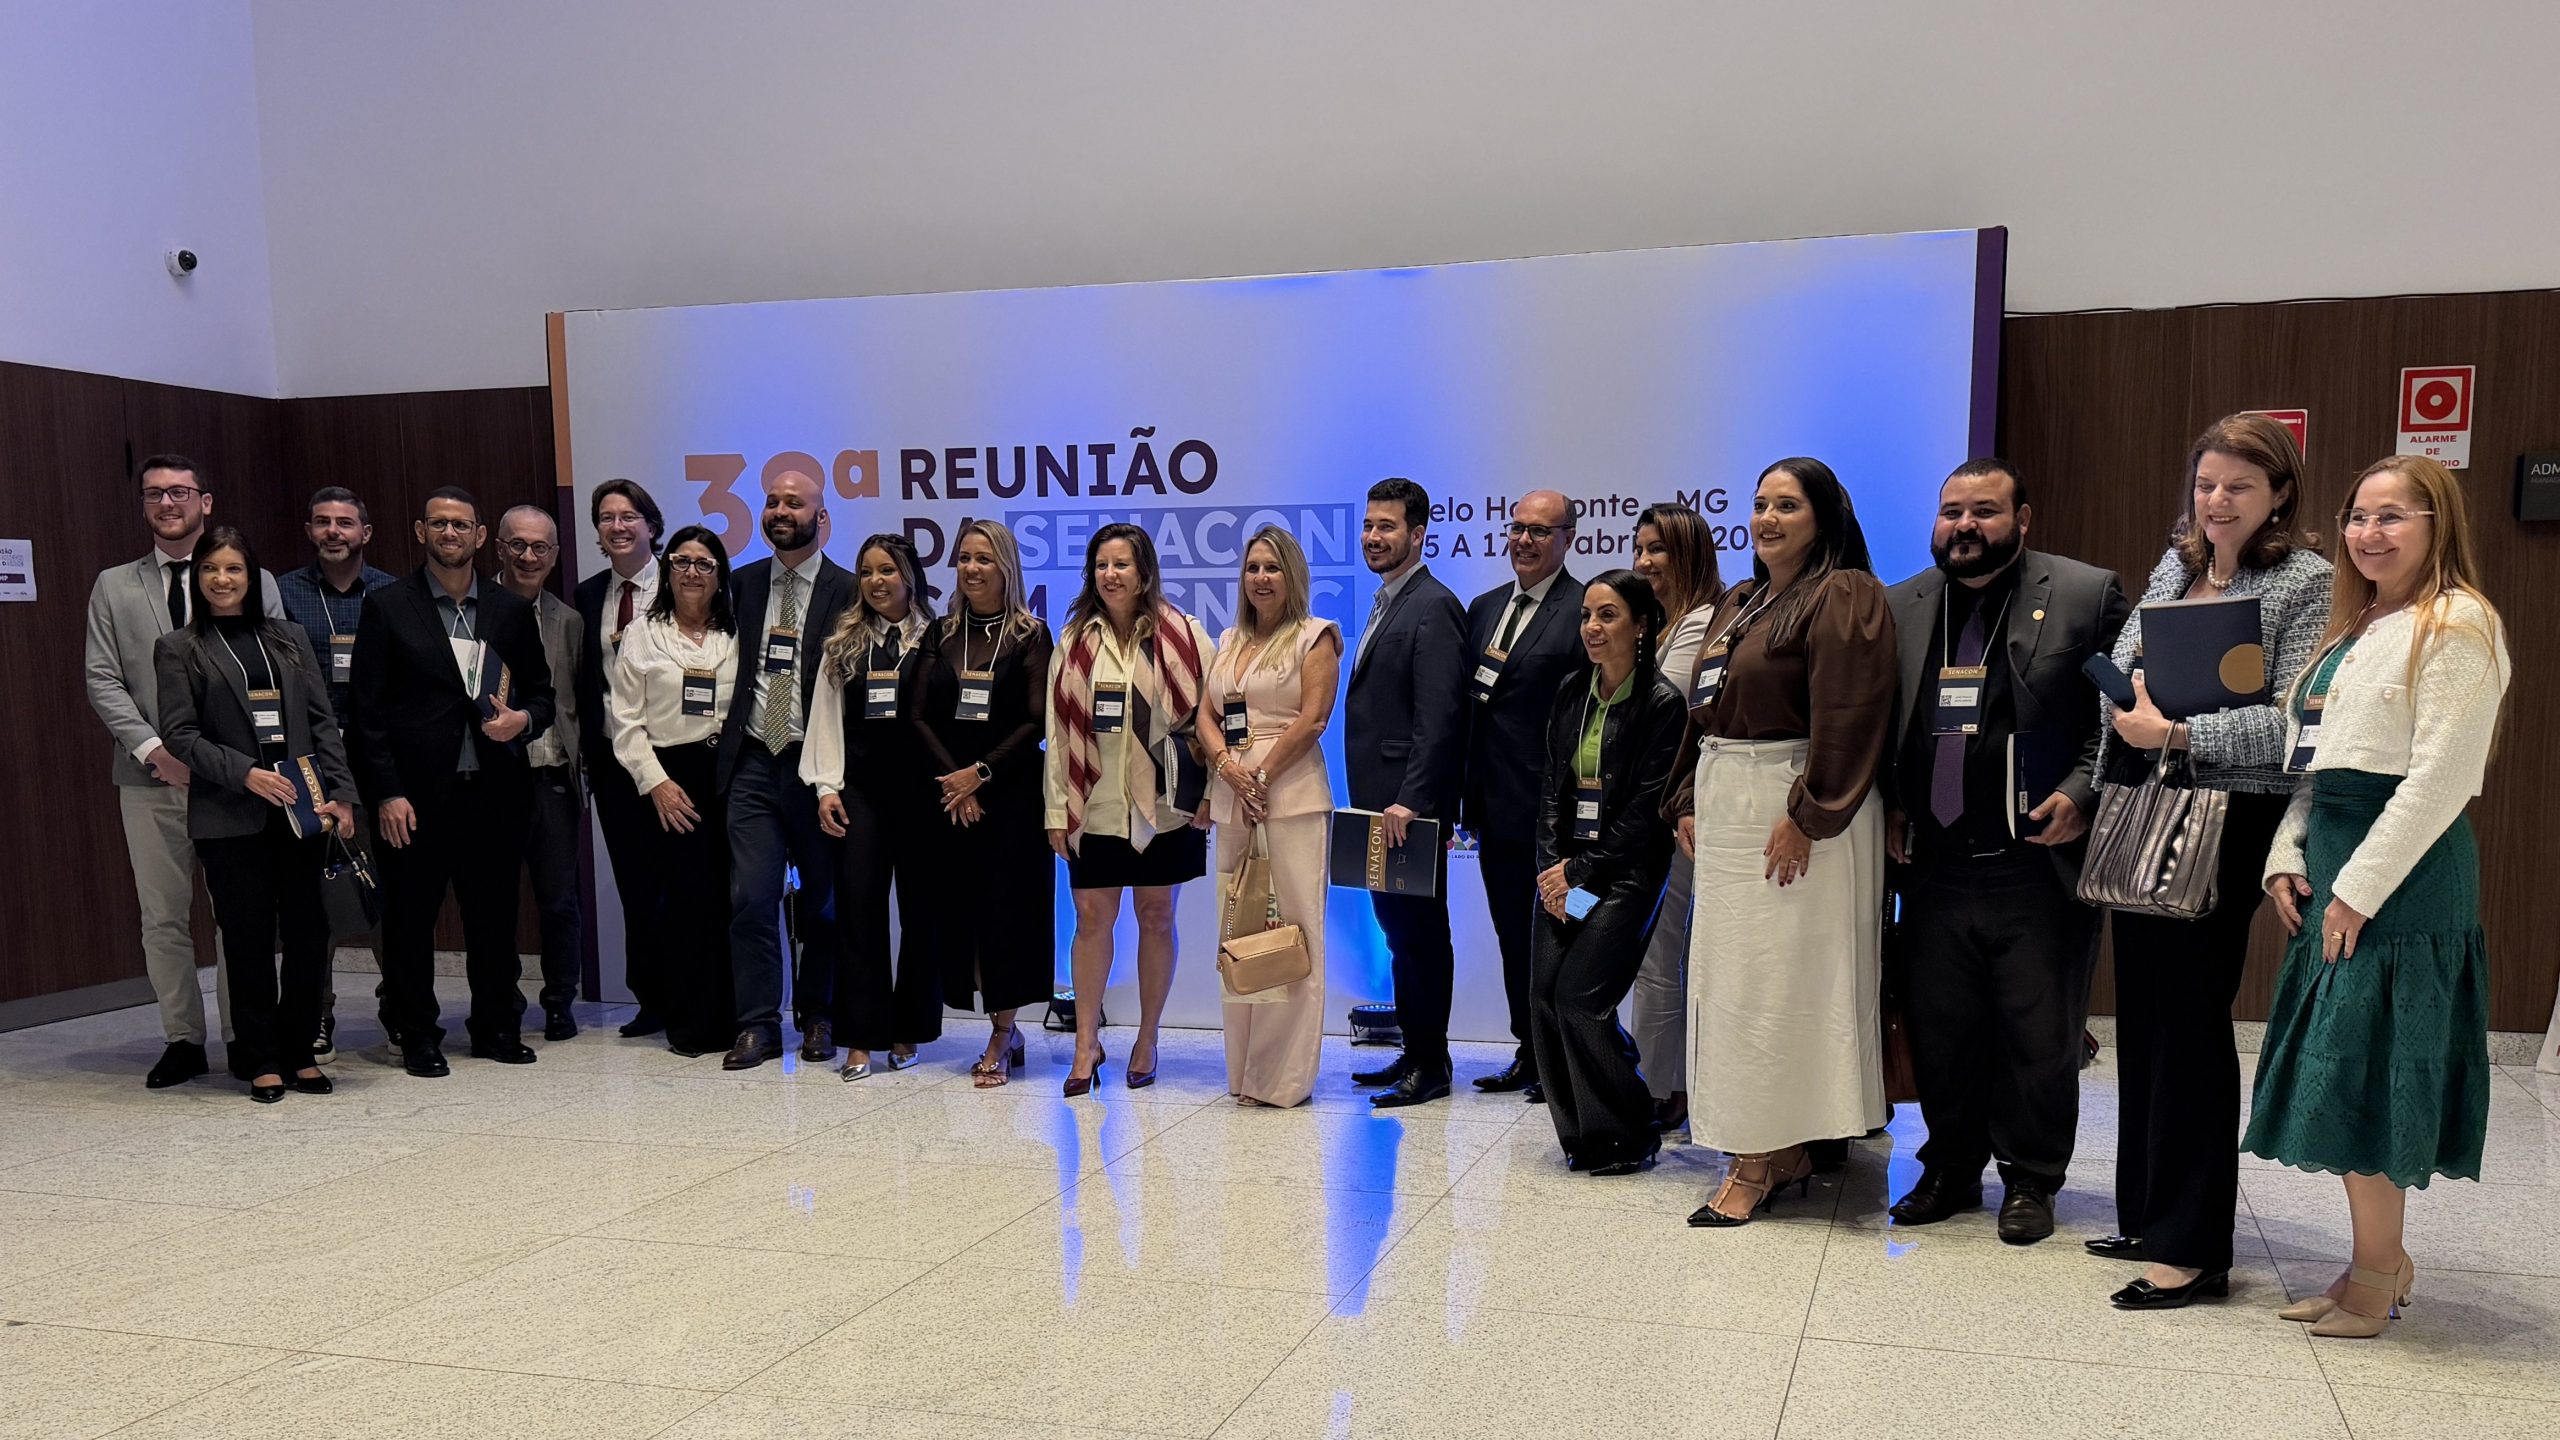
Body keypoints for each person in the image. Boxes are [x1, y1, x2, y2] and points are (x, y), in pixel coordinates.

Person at [2249, 456, 2508, 1338]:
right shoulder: (2355, 624)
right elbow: (2315, 764)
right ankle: (2377, 1259)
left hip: (2403, 881)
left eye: (2392, 516)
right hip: (2336, 867)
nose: (2368, 533)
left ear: (2438, 523)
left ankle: (2377, 1273)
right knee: (2342, 1075)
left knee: (2371, 1073)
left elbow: (2441, 780)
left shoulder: (2458, 621)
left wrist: (2357, 892)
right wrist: (2285, 856)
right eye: (2357, 517)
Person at [2094, 413, 2331, 1309]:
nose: (2217, 500)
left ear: (2279, 494)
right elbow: (2124, 666)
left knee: (2191, 1020)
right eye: (2206, 484)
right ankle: (2148, 1215)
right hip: (2146, 801)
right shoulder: (2178, 566)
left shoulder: (2306, 581)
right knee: (2144, 1017)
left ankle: (2193, 1248)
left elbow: (2296, 719)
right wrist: (2127, 705)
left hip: (2231, 813)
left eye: (2238, 485)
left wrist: (2179, 730)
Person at [1879, 459, 2129, 1244]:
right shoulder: (1900, 604)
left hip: (2036, 862)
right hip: (1934, 864)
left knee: (2038, 1035)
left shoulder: (2085, 595)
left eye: (1984, 510)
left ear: (2022, 518)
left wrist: (2082, 794)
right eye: (1951, 510)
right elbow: (1882, 723)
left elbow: (2121, 716)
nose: (1964, 525)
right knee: (1942, 1029)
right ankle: (1951, 1168)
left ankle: (2031, 1179)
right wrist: (1889, 802)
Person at [1674, 458, 1896, 1227]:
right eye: (1760, 504)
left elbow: (1852, 713)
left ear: (1824, 517)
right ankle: (1780, 1148)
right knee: (1731, 984)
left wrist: (1808, 813)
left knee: (1779, 988)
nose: (1767, 519)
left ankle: (1756, 1160)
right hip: (1727, 801)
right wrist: (1686, 798)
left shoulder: (1845, 595)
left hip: (1796, 804)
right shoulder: (1741, 601)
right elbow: (1702, 707)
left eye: (1787, 506)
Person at [84, 454, 284, 1088]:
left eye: (179, 492)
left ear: (206, 501)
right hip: (152, 779)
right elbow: (103, 678)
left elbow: (276, 669)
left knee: (241, 917)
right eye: (154, 494)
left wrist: (234, 764)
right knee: (164, 917)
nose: (167, 503)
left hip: (236, 782)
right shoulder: (114, 585)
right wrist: (155, 751)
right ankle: (182, 1038)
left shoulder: (254, 578)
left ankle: (244, 1036)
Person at [349, 486, 556, 1078]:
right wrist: (387, 793)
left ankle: (496, 1027)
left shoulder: (509, 609)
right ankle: (417, 1034)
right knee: (411, 923)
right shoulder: (388, 606)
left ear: (480, 536)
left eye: (461, 525)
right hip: (414, 800)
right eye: (438, 524)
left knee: (493, 919)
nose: (449, 533)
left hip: (493, 794)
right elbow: (366, 716)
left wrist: (523, 720)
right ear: (421, 532)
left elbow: (541, 694)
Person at [153, 528, 356, 1102]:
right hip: (230, 815)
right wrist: (245, 772)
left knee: (309, 935)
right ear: (198, 578)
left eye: (234, 569)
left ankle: (300, 1051)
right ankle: (260, 1057)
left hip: (301, 810)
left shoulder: (289, 638)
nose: (222, 579)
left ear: (253, 577)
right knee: (247, 940)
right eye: (211, 569)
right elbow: (180, 733)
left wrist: (341, 795)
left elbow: (322, 721)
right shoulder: (179, 647)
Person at [1045, 524, 1216, 1095]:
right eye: (1101, 565)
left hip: (1165, 807)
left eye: (1121, 564)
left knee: (1156, 916)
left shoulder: (1185, 634)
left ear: (1144, 572)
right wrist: (1055, 809)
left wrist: (1210, 794)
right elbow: (1058, 735)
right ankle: (1085, 1043)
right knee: (1091, 919)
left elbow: (1210, 722)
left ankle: (1147, 1037)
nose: (1111, 575)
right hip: (1094, 805)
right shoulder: (1074, 641)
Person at [1528, 570, 1686, 1173]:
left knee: (1580, 1000)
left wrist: (1580, 871)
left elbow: (1647, 810)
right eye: (1587, 615)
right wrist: (1552, 868)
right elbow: (1551, 788)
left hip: (1624, 878)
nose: (1592, 627)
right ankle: (1584, 1135)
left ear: (1641, 626)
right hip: (1565, 874)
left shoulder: (1663, 704)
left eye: (1608, 615)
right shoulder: (1573, 689)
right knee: (1545, 999)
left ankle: (1631, 1129)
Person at [714, 468, 853, 1070]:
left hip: (814, 764)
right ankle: (758, 1023)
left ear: (821, 518)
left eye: (794, 503)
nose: (779, 511)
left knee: (823, 903)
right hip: (752, 760)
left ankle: (820, 1015)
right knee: (751, 897)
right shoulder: (740, 585)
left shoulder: (850, 590)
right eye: (772, 502)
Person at [1198, 526, 1341, 1108]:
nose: (1261, 578)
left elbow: (1313, 719)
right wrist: (1227, 768)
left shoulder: (1315, 636)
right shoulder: (1229, 639)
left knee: (1294, 934)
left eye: (1273, 568)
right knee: (1241, 932)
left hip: (1291, 798)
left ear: (1293, 576)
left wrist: (1260, 775)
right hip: (1233, 796)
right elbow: (1205, 716)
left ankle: (1282, 1080)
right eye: (1253, 567)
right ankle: (1245, 1074)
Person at [911, 520, 1054, 1087]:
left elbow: (1037, 720)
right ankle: (1000, 1026)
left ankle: (1003, 1030)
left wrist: (982, 774)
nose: (972, 569)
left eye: (984, 559)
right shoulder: (940, 631)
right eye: (965, 558)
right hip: (950, 797)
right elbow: (918, 714)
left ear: (1006, 567)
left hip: (1010, 798)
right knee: (964, 914)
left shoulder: (1030, 635)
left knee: (1006, 915)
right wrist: (956, 782)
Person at [1342, 478, 1470, 1109]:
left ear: (1418, 535)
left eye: (1387, 527)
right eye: (1369, 525)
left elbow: (1440, 716)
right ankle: (1417, 1051)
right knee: (1397, 934)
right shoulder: (1389, 599)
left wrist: (1414, 799)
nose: (1373, 536)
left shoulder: (1434, 605)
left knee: (1421, 935)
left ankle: (1431, 1063)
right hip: (1379, 804)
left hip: (1406, 810)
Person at [803, 534, 941, 1080]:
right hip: (860, 794)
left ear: (910, 577)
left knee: (922, 915)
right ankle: (861, 1036)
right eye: (866, 572)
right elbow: (824, 718)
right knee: (858, 912)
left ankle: (909, 1029)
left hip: (925, 797)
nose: (876, 581)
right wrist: (825, 787)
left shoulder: (938, 638)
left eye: (887, 570)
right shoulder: (843, 644)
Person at [1461, 490, 1583, 1097]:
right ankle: (1529, 1052)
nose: (1525, 541)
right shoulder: (1484, 608)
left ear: (1568, 540)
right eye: (1518, 529)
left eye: (1540, 531)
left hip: (1557, 815)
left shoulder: (1584, 607)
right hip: (1495, 808)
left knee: (1566, 936)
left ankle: (1570, 1061)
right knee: (1514, 933)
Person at [274, 485, 399, 1063]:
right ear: (309, 530)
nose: (333, 532)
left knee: (383, 889)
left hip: (377, 761)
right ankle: (315, 1015)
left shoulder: (392, 593)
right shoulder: (282, 594)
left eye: (345, 523)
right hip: (308, 765)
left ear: (364, 533)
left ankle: (397, 1007)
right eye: (322, 522)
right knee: (313, 897)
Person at [608, 527, 743, 1058]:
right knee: (685, 903)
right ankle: (689, 1023)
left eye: (704, 563)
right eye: (682, 561)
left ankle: (737, 1019)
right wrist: (657, 784)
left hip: (730, 775)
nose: (692, 572)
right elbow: (625, 721)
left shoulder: (736, 630)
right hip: (670, 779)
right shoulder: (642, 633)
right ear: (667, 571)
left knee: (731, 900)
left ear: (719, 575)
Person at [1625, 502, 1727, 1133]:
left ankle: (1663, 1088)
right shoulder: (1667, 624)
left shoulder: (1699, 625)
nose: (1644, 562)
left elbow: (1659, 716)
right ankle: (1666, 1081)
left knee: (1661, 956)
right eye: (1639, 549)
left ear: (1689, 552)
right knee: (1659, 954)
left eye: (1657, 549)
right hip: (1660, 812)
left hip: (1677, 813)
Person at [572, 478, 670, 1037]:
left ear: (650, 526)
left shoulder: (682, 582)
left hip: (676, 758)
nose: (618, 526)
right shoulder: (588, 596)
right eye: (607, 518)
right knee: (635, 884)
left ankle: (694, 996)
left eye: (629, 516)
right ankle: (651, 1000)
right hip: (614, 763)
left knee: (683, 880)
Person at [496, 504, 587, 1040]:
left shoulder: (568, 621)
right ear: (499, 548)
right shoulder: (473, 610)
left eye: (540, 548)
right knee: (496, 900)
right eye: (518, 545)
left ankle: (559, 1002)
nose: (529, 557)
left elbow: (575, 702)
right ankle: (503, 1000)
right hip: (494, 780)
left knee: (559, 902)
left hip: (553, 778)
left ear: (554, 555)